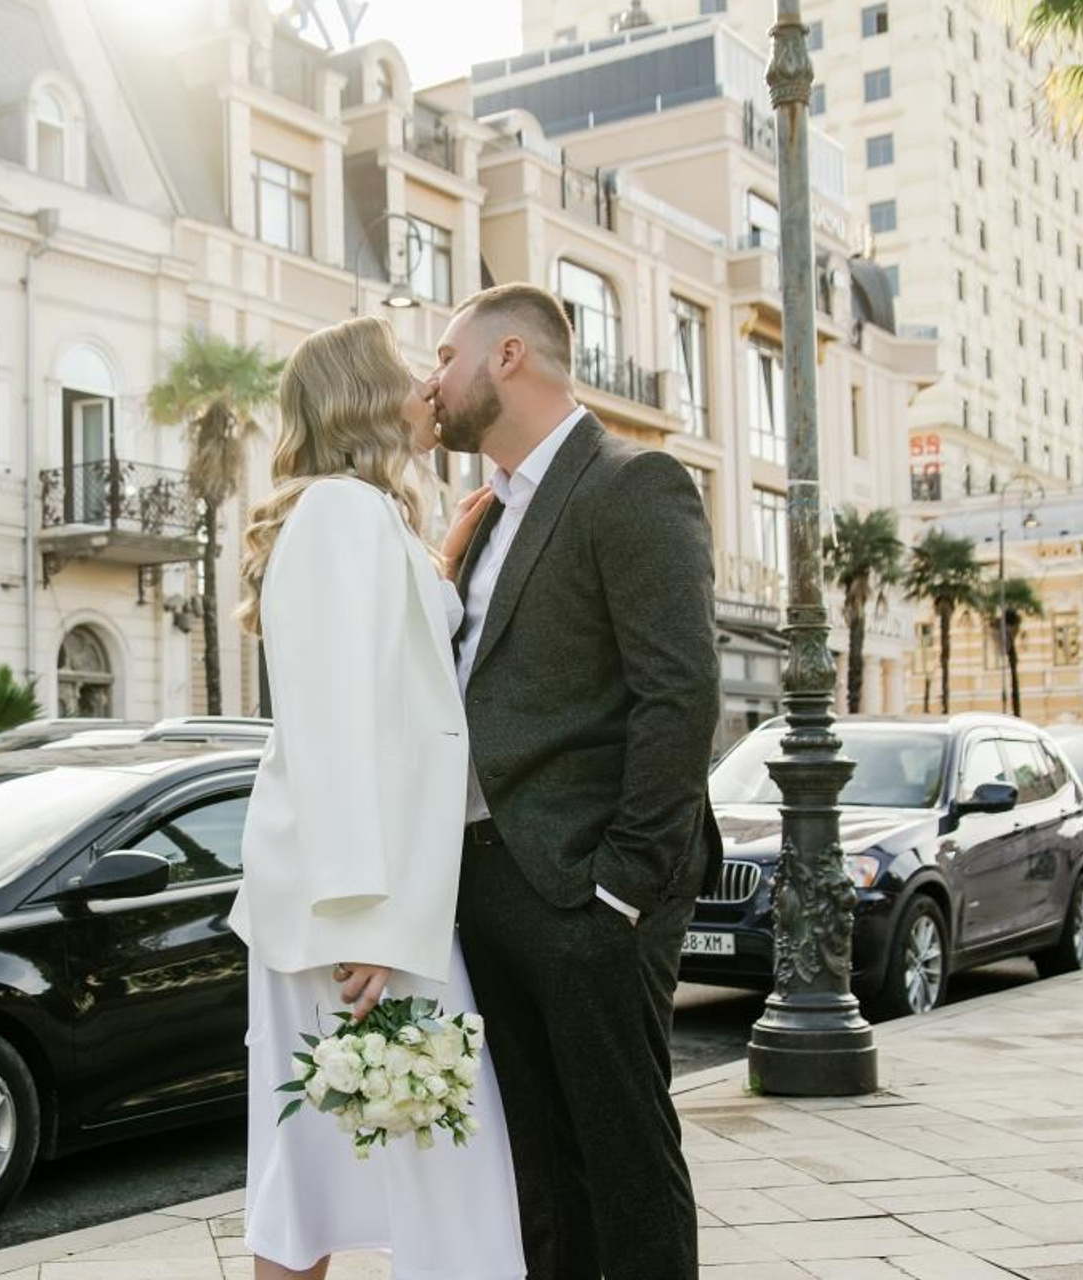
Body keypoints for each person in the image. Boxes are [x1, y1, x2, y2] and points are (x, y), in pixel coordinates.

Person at [428, 283, 723, 1280]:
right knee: (537, 1174)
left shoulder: (632, 482)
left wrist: (622, 886)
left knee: (622, 1156)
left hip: (588, 888)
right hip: (488, 879)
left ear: (507, 356)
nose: (433, 379)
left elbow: (678, 694)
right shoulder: (484, 515)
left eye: (445, 356)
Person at [228, 315, 523, 1280]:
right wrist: (367, 918)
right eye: (410, 368)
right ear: (363, 394)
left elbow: (388, 676)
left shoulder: (359, 517)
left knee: (317, 1177)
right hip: (357, 910)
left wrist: (442, 559)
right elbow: (333, 724)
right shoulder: (340, 515)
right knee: (434, 1175)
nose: (430, 386)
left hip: (364, 902)